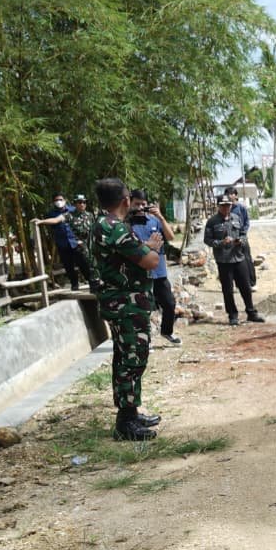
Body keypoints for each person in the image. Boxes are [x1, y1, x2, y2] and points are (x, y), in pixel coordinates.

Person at [89, 178, 165, 441]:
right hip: (127, 304)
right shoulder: (116, 228)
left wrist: (146, 249)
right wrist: (152, 248)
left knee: (124, 357)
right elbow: (150, 261)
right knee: (133, 358)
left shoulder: (101, 224)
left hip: (119, 302)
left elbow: (128, 257)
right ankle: (126, 422)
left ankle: (130, 412)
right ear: (125, 200)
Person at [127, 190, 179, 345]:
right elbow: (128, 247)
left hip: (158, 272)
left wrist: (161, 217)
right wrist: (147, 245)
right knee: (143, 309)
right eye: (136, 204)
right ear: (129, 203)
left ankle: (167, 331)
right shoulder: (126, 223)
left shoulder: (154, 220)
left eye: (143, 204)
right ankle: (144, 340)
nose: (140, 207)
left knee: (169, 304)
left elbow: (170, 237)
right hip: (139, 273)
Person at [204, 196, 263, 326]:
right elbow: (207, 240)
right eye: (223, 205)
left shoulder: (236, 218)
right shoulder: (212, 222)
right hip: (224, 260)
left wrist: (241, 241)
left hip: (238, 257)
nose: (226, 208)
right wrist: (221, 243)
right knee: (228, 290)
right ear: (218, 206)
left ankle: (251, 312)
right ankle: (233, 315)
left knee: (245, 287)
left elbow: (243, 234)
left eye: (228, 205)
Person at [35, 192, 92, 291]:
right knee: (68, 266)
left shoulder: (74, 210)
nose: (59, 202)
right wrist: (41, 221)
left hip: (76, 243)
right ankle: (74, 285)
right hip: (62, 243)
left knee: (83, 263)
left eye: (60, 199)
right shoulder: (52, 214)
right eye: (56, 200)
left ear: (65, 200)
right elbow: (55, 221)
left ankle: (92, 282)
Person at [65, 194, 100, 292]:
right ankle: (91, 284)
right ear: (75, 204)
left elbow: (94, 229)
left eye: (84, 202)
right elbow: (58, 220)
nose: (82, 204)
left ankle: (95, 286)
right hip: (79, 246)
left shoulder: (90, 215)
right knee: (85, 265)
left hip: (91, 244)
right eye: (79, 202)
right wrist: (41, 221)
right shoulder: (69, 215)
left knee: (94, 264)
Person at [225, 187, 256, 287]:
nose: (229, 196)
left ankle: (252, 282)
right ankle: (239, 284)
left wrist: (243, 234)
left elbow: (246, 222)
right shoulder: (225, 209)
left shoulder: (241, 208)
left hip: (242, 237)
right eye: (227, 194)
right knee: (234, 261)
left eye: (231, 194)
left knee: (247, 259)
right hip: (231, 239)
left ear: (235, 195)